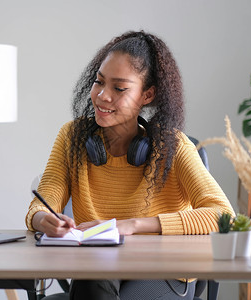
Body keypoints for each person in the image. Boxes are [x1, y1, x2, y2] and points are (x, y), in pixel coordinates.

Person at [26, 30, 235, 300]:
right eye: (99, 82)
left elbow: (223, 215)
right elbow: (41, 205)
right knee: (93, 280)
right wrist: (45, 220)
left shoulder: (174, 145)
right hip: (98, 267)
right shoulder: (72, 137)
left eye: (119, 88)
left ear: (147, 95)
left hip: (161, 270)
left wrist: (131, 225)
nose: (102, 95)